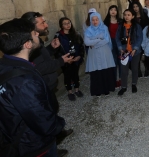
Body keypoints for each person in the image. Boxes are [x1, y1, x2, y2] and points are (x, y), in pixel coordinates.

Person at [0, 18, 66, 157]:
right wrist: (59, 125)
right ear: (27, 44)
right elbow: (42, 120)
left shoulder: (6, 65)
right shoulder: (25, 82)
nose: (37, 34)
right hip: (34, 145)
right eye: (34, 33)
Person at [21, 12, 73, 155]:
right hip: (41, 87)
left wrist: (51, 48)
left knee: (52, 109)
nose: (46, 25)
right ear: (32, 26)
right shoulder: (28, 44)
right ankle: (52, 147)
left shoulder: (36, 39)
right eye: (42, 23)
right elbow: (39, 67)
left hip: (47, 86)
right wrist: (61, 61)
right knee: (46, 118)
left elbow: (41, 58)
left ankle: (58, 135)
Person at [84, 12, 116, 96]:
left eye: (96, 19)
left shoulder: (104, 28)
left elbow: (106, 40)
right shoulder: (88, 30)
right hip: (93, 54)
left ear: (99, 19)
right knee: (96, 71)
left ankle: (106, 89)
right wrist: (98, 38)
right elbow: (87, 42)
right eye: (93, 20)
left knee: (105, 70)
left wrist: (93, 42)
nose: (95, 22)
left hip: (104, 52)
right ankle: (97, 90)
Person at [56, 17, 85, 101]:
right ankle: (69, 92)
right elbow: (57, 50)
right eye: (65, 23)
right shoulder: (58, 36)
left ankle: (77, 89)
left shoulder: (76, 34)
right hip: (66, 61)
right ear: (61, 25)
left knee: (75, 74)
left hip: (75, 59)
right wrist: (65, 59)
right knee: (67, 76)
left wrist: (79, 56)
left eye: (69, 23)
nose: (68, 25)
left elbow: (81, 46)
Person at [116, 9, 143, 95]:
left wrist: (135, 48)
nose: (126, 16)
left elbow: (140, 38)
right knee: (124, 70)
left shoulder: (137, 26)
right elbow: (117, 38)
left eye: (128, 15)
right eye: (125, 15)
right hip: (124, 51)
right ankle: (123, 87)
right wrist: (120, 48)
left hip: (135, 52)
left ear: (133, 16)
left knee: (135, 69)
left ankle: (134, 84)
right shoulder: (120, 26)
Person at [103, 5, 123, 88]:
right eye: (111, 9)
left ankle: (122, 78)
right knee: (113, 62)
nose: (113, 11)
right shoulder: (106, 22)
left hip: (119, 43)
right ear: (109, 11)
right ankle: (114, 79)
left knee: (121, 61)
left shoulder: (121, 21)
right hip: (110, 43)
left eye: (115, 10)